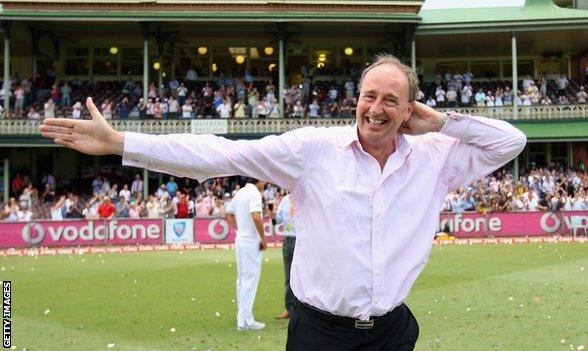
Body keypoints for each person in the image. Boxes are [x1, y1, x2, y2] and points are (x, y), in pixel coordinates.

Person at [39, 54, 526, 350]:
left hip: (392, 333)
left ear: (409, 111)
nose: (375, 109)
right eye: (368, 95)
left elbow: (511, 142)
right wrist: (124, 143)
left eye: (391, 101)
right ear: (355, 98)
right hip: (320, 335)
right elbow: (222, 154)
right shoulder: (314, 150)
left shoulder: (435, 158)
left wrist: (443, 123)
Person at [225, 178, 267, 331]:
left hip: (241, 240)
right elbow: (256, 216)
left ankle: (242, 318)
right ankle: (246, 320)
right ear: (259, 180)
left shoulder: (240, 192)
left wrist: (239, 230)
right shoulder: (254, 193)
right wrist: (263, 238)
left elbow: (228, 214)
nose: (265, 184)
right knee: (249, 279)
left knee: (242, 279)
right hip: (250, 241)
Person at [274, 192, 296, 320]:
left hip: (303, 241)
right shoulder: (284, 200)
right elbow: (278, 219)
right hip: (288, 239)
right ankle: (289, 309)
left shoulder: (305, 196)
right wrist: (272, 215)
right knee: (289, 277)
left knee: (304, 277)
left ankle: (303, 310)